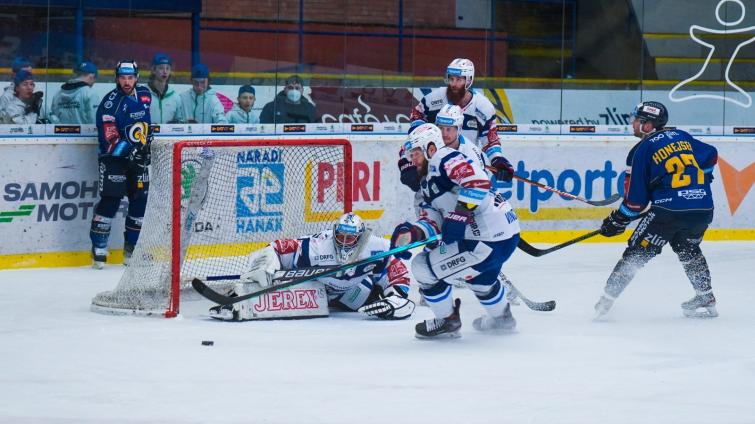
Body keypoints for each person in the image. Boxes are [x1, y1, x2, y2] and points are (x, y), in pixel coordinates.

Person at [390, 123, 521, 339]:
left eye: (415, 153)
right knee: (480, 280)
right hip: (505, 235)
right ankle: (502, 319)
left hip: (485, 240)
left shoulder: (444, 157)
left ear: (430, 149)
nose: (412, 160)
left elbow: (478, 183)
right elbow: (434, 219)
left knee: (422, 267)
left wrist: (460, 215)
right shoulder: (428, 180)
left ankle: (447, 320)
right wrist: (413, 233)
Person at [594, 101, 719, 319]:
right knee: (687, 248)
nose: (632, 124)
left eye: (636, 120)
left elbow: (635, 203)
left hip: (668, 211)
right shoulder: (682, 136)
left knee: (636, 253)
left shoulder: (641, 149)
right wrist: (704, 177)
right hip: (703, 207)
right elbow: (710, 154)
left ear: (648, 125)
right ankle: (705, 296)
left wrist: (618, 220)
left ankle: (604, 303)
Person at [208, 212, 414, 322]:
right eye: (340, 236)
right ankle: (237, 299)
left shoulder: (377, 247)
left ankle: (378, 297)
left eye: (349, 237)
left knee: (365, 293)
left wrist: (396, 296)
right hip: (317, 289)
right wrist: (267, 266)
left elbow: (397, 268)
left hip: (352, 293)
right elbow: (279, 247)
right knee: (279, 287)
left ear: (359, 237)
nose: (343, 242)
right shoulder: (316, 246)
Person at [401, 58, 513, 191]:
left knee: (467, 205)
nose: (453, 84)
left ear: (469, 80)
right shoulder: (434, 99)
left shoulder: (483, 107)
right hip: (436, 165)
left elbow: (490, 139)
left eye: (459, 80)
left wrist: (496, 159)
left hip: (465, 165)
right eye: (451, 79)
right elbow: (417, 115)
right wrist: (418, 140)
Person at [89, 60, 152, 268]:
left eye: (130, 77)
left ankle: (131, 249)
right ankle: (99, 247)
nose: (127, 82)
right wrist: (132, 151)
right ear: (117, 78)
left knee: (139, 201)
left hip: (138, 158)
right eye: (123, 78)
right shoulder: (109, 103)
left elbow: (146, 125)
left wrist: (145, 147)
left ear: (136, 78)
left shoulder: (144, 95)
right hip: (113, 159)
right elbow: (109, 139)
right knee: (111, 199)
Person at [147, 53, 185, 124]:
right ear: (153, 70)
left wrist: (175, 124)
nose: (165, 72)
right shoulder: (143, 93)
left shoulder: (175, 97)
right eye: (161, 68)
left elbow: (181, 122)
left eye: (167, 68)